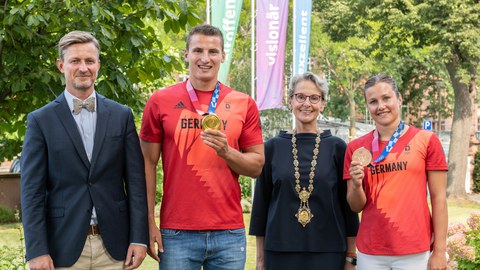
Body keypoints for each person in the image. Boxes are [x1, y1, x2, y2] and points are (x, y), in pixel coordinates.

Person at [139, 24, 265, 270]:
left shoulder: (243, 103)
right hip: (176, 232)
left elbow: (256, 167)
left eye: (213, 52)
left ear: (223, 56)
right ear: (186, 54)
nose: (205, 59)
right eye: (198, 50)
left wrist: (227, 152)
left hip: (228, 232)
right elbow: (147, 164)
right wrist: (148, 223)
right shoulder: (160, 101)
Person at [20, 30, 149, 270]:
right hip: (62, 248)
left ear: (98, 65)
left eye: (90, 61)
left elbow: (136, 184)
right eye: (75, 61)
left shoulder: (122, 116)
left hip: (115, 247)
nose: (83, 68)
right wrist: (37, 251)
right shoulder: (40, 120)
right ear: (61, 65)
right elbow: (32, 192)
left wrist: (139, 238)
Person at [249, 72, 359, 270]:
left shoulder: (338, 148)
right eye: (300, 97)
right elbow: (261, 207)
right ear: (290, 101)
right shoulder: (272, 148)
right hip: (280, 252)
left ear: (323, 104)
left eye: (314, 98)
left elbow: (348, 208)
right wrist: (260, 259)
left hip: (328, 251)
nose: (306, 103)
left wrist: (351, 257)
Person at [344, 74, 448, 270]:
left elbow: (439, 198)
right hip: (371, 252)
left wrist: (440, 251)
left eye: (386, 98)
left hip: (415, 250)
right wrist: (357, 185)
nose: (380, 106)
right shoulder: (355, 148)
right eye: (373, 101)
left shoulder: (426, 140)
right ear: (367, 107)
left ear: (399, 99)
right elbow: (355, 206)